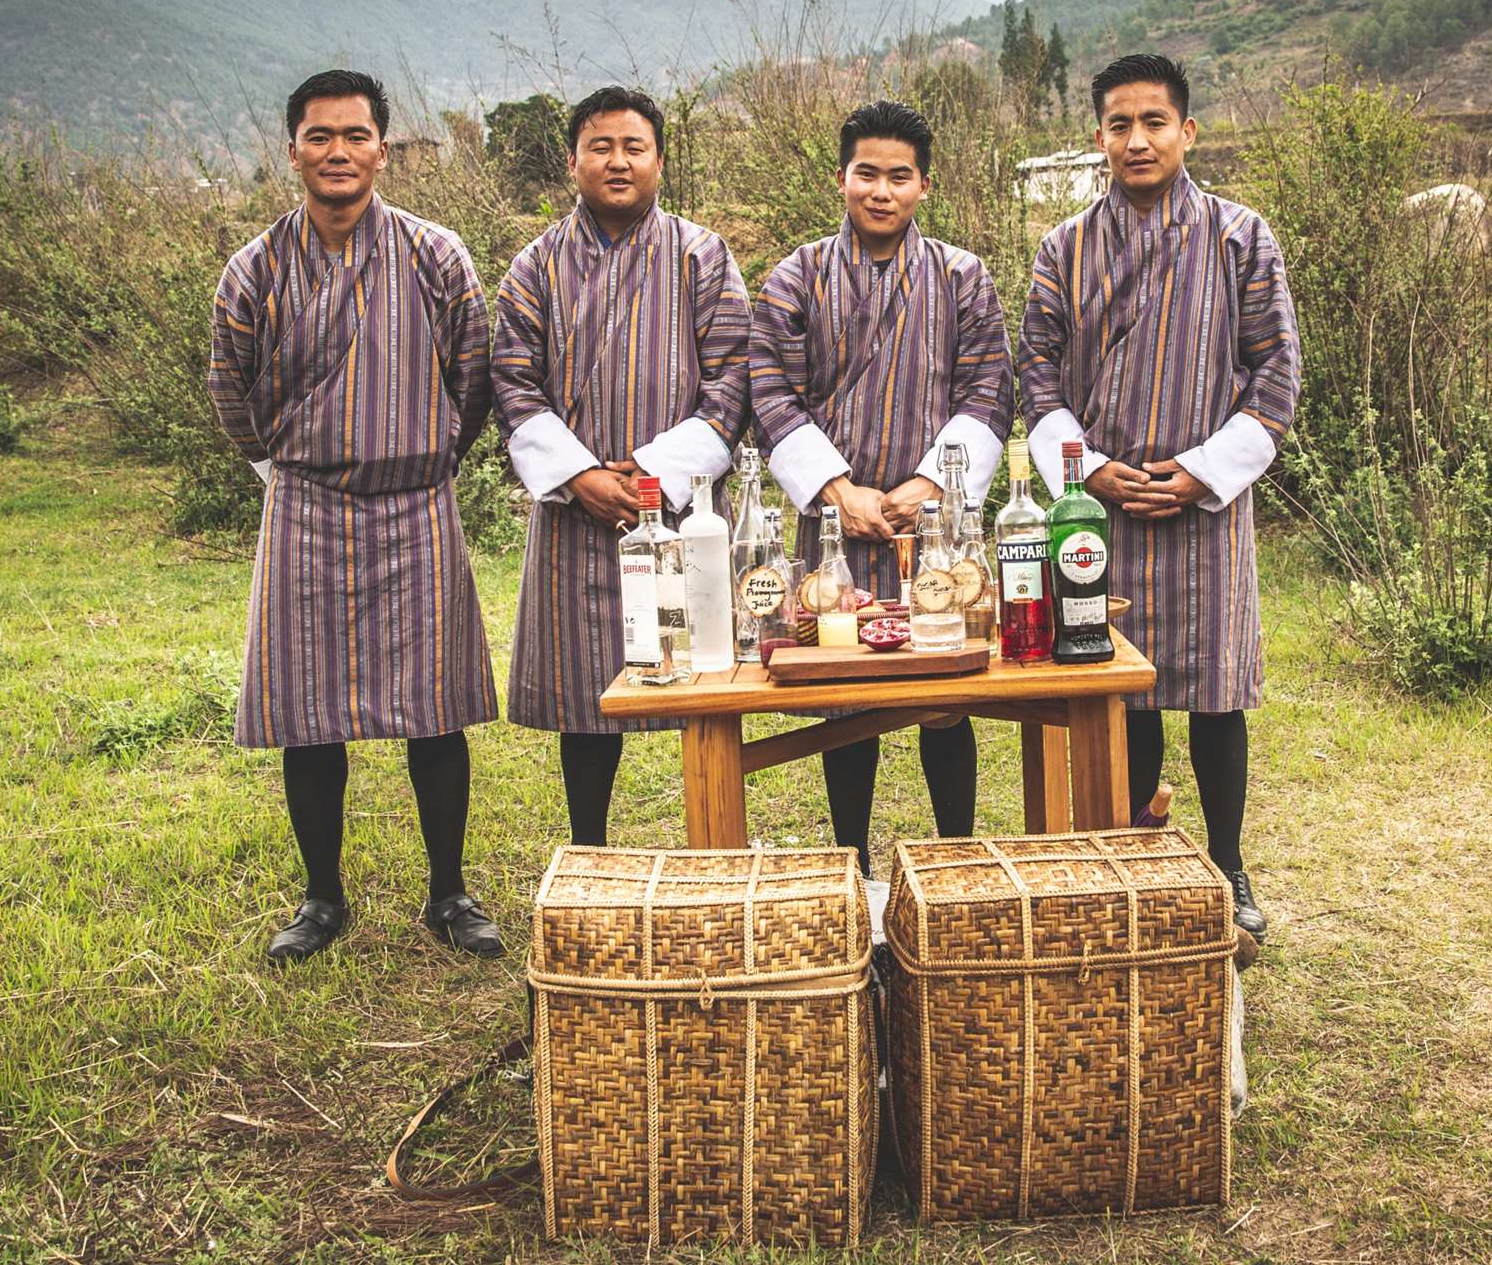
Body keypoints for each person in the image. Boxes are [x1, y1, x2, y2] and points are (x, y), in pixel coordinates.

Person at [207, 69, 505, 965]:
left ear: (383, 146)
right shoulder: (254, 268)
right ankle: (322, 896)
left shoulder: (433, 254)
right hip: (304, 502)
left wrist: (426, 456)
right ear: (292, 148)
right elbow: (230, 388)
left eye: (355, 135)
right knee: (308, 712)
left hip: (416, 499)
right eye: (319, 136)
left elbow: (475, 376)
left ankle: (448, 891)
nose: (338, 151)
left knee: (434, 708)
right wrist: (286, 466)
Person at [1015, 52, 1300, 940]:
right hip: (1097, 508)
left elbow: (1275, 374)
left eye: (1154, 122)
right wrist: (1087, 466)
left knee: (1216, 692)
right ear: (1097, 136)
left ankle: (1226, 864)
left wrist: (1200, 472)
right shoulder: (1064, 247)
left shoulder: (1237, 235)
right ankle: (1134, 861)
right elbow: (1037, 375)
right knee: (1117, 688)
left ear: (1187, 130)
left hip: (1205, 502)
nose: (1136, 140)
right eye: (1118, 125)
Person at [748, 99, 1013, 871]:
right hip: (833, 526)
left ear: (924, 185)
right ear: (840, 177)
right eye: (867, 172)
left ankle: (955, 857)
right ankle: (849, 862)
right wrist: (837, 490)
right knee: (844, 689)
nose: (881, 190)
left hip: (933, 530)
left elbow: (989, 388)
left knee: (943, 697)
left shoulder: (961, 277)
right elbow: (767, 390)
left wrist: (931, 483)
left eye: (900, 176)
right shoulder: (795, 275)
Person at [491, 85, 752, 844]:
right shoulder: (535, 264)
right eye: (599, 146)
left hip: (681, 510)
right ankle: (590, 847)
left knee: (698, 681)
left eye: (633, 147)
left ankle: (711, 843)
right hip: (577, 510)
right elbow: (510, 379)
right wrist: (579, 476)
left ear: (660, 160)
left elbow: (734, 375)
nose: (616, 160)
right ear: (572, 160)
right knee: (584, 693)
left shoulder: (702, 255)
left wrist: (647, 475)